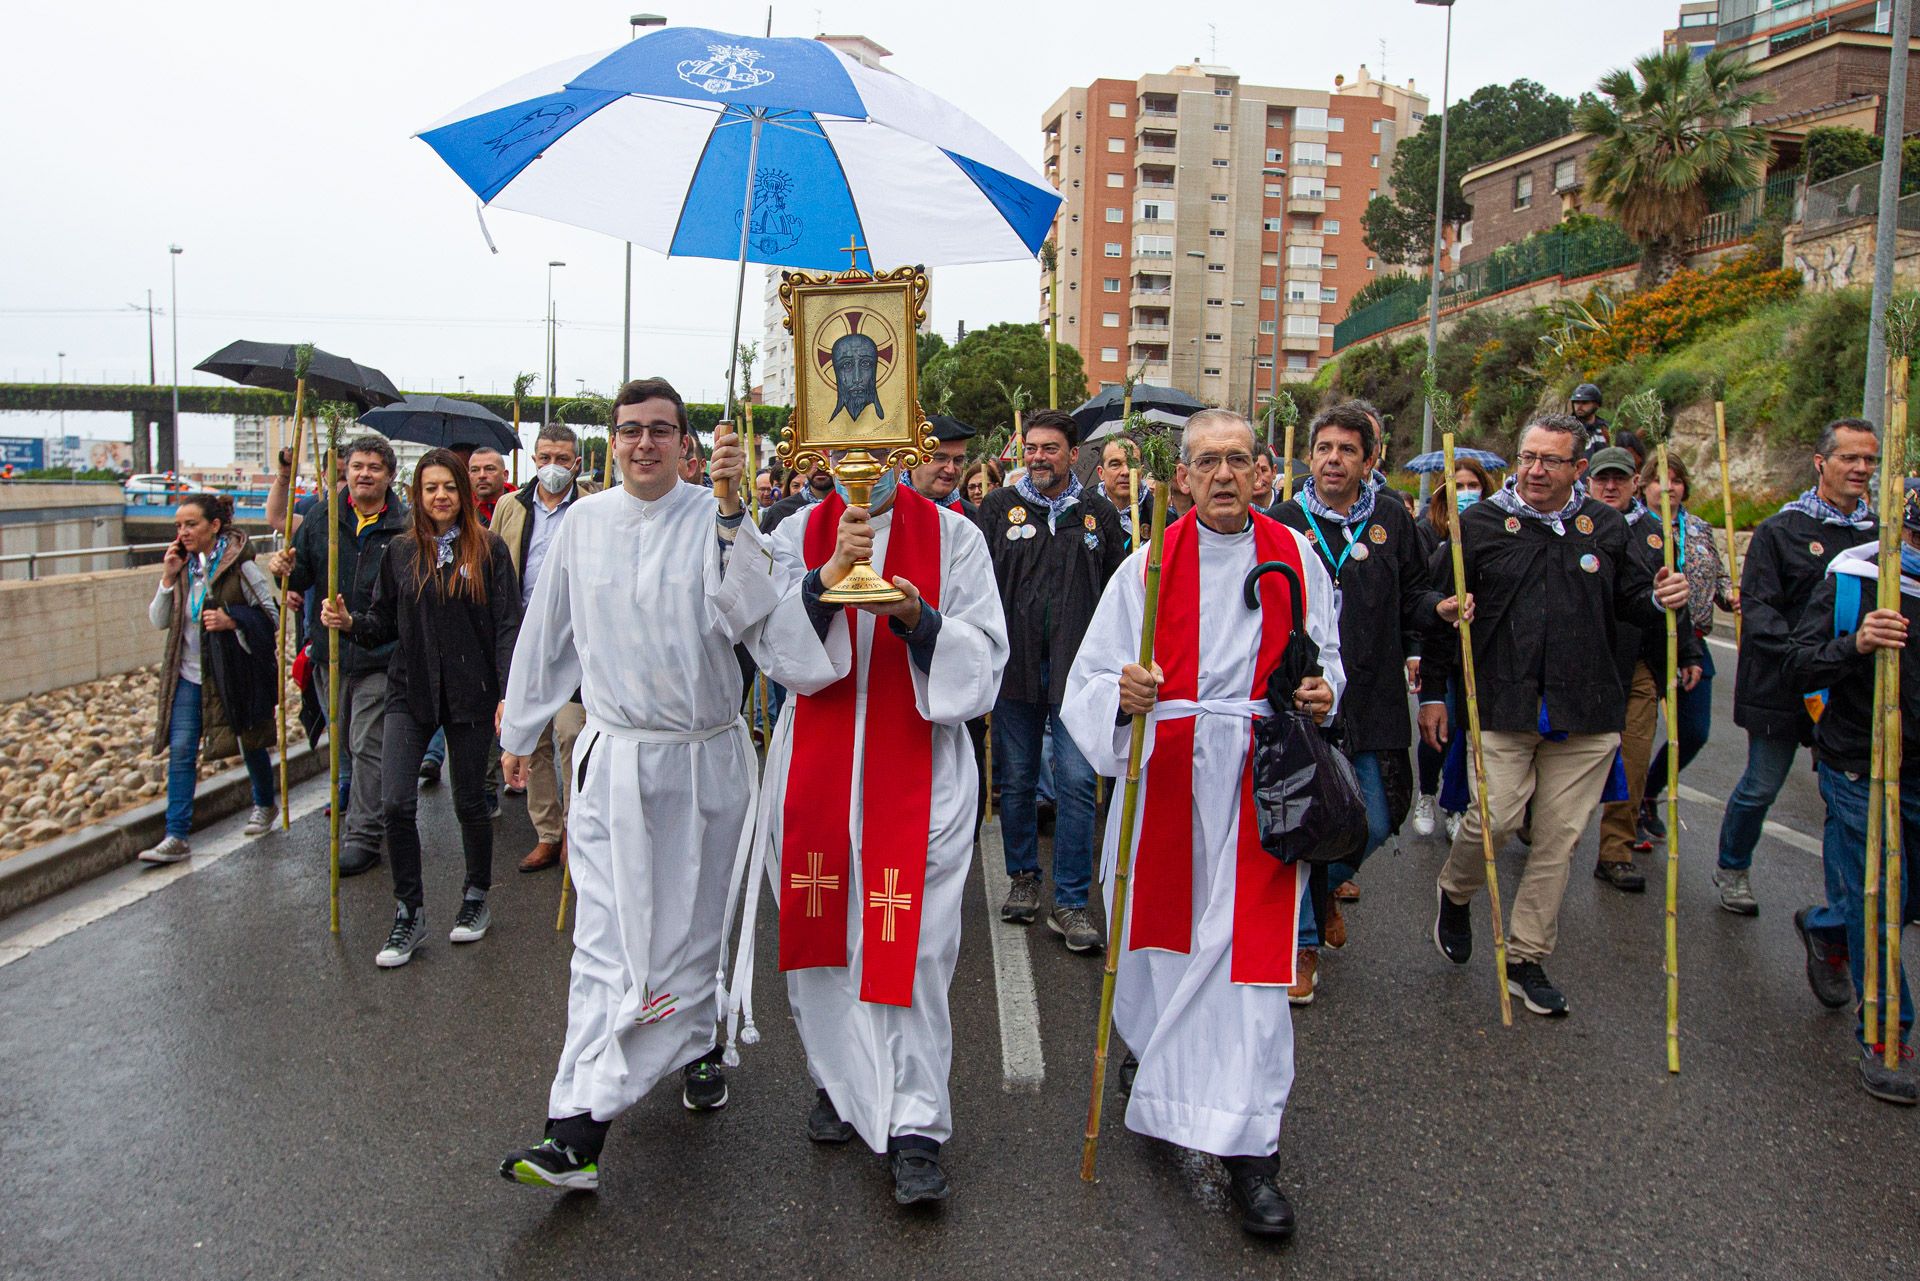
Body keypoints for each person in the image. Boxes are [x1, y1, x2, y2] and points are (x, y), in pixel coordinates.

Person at [1062, 408, 1342, 1238]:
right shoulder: (1147, 567)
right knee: (1158, 947)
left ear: (1263, 474)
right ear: (1181, 477)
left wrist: (1326, 695)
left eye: (1240, 460)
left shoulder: (1295, 558)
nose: (1225, 474)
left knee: (1252, 972)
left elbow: (1328, 660)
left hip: (1264, 778)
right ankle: (1159, 1064)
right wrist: (1123, 693)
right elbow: (1091, 676)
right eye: (1207, 461)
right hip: (1171, 775)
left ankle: (1254, 1152)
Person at [497, 379, 761, 1191]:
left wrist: (731, 514)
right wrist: (520, 730)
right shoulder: (583, 523)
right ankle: (574, 1130)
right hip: (614, 764)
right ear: (611, 442)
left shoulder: (719, 521)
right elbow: (549, 635)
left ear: (687, 442)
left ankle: (701, 1042)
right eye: (629, 430)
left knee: (688, 934)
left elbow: (761, 618)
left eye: (660, 430)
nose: (644, 443)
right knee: (604, 947)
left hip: (702, 765)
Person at [734, 435, 1008, 1206]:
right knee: (824, 941)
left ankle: (917, 1125)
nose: (870, 465)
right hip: (817, 761)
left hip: (918, 755)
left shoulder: (956, 537)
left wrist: (921, 620)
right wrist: (822, 584)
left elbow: (986, 658)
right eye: (852, 450)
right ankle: (840, 1080)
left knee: (913, 949)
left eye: (883, 449)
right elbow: (772, 650)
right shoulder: (796, 532)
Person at [1431, 414, 1690, 1017]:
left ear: (1578, 467)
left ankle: (1526, 956)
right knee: (1493, 821)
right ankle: (1455, 890)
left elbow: (1631, 600)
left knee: (1557, 840)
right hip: (1501, 700)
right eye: (1527, 457)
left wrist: (1660, 598)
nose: (1536, 470)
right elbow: (1433, 602)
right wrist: (1439, 659)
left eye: (1551, 460)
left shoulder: (1603, 526)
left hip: (1588, 707)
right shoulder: (1480, 523)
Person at [1268, 402, 1450, 1003]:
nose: (1334, 460)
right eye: (1324, 449)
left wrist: (1438, 612)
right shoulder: (1285, 518)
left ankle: (1321, 898)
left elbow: (1415, 594)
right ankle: (1303, 945)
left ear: (1369, 460)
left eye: (1348, 450)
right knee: (1307, 821)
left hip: (1372, 695)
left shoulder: (1393, 519)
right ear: (1311, 456)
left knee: (1376, 818)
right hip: (1304, 697)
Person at [321, 449, 519, 965]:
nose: (440, 497)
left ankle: (476, 897)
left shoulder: (492, 551)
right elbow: (383, 622)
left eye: (449, 487)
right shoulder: (401, 552)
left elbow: (505, 628)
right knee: (394, 803)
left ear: (463, 492)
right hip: (410, 691)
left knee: (470, 801)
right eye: (430, 488)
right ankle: (409, 910)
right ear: (417, 494)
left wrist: (507, 694)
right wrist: (350, 624)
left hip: (472, 693)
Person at [1785, 479, 1920, 1104]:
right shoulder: (1857, 575)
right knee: (1880, 893)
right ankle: (1887, 1034)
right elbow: (1800, 664)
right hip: (1861, 762)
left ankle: (1826, 928)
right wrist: (1857, 642)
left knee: (1903, 895)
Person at [977, 407, 1129, 951]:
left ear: (1072, 455)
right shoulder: (996, 508)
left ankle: (1070, 900)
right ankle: (1024, 877)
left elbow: (1120, 593)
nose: (1039, 458)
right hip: (1014, 673)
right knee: (1016, 778)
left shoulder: (1097, 514)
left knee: (1077, 784)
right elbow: (977, 584)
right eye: (1032, 449)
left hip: (1079, 675)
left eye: (1050, 449)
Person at [1716, 418, 1879, 917]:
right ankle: (1733, 865)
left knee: (1846, 801)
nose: (1860, 468)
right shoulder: (1780, 531)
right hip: (1785, 682)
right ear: (1820, 463)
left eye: (1869, 459)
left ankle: (1844, 905)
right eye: (1849, 457)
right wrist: (1801, 657)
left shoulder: (1880, 536)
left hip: (1850, 686)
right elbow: (1759, 606)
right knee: (1763, 784)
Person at [268, 435, 409, 877]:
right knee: (345, 741)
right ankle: (379, 811)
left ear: (390, 475)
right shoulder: (323, 517)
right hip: (331, 652)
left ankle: (364, 836)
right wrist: (285, 574)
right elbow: (302, 578)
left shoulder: (404, 526)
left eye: (374, 467)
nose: (364, 474)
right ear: (344, 471)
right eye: (356, 466)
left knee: (368, 743)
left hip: (381, 654)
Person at [137, 493, 281, 863]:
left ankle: (265, 803)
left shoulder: (240, 567)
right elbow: (159, 620)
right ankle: (176, 835)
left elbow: (272, 615)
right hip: (188, 675)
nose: (183, 533)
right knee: (183, 749)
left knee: (249, 738)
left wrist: (233, 620)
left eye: (191, 525)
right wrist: (167, 579)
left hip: (231, 672)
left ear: (214, 526)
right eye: (178, 526)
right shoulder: (183, 568)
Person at [1584, 446, 1703, 892]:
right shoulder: (1571, 523)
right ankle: (1535, 822)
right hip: (1579, 665)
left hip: (1636, 666)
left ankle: (1615, 850)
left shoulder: (1656, 534)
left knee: (1633, 762)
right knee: (1559, 760)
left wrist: (1687, 653)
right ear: (1587, 480)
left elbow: (1675, 596)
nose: (1611, 486)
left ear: (1637, 482)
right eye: (1602, 479)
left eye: (1620, 478)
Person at [490, 424, 595, 874]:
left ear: (576, 460)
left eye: (563, 457)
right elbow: (494, 565)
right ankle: (548, 833)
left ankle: (578, 829)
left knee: (573, 734)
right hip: (524, 636)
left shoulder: (593, 506)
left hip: (576, 640)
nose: (553, 466)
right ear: (534, 460)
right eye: (544, 457)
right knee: (532, 741)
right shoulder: (509, 508)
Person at [1637, 452, 1734, 844]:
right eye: (1660, 480)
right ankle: (1625, 815)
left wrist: (1730, 596)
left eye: (1676, 481)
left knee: (1693, 731)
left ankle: (1649, 790)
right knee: (1636, 735)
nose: (1669, 488)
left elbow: (1719, 576)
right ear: (1644, 486)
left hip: (1692, 640)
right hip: (1646, 642)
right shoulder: (1632, 526)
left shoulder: (1698, 529)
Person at [1414, 458, 1495, 843]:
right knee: (1439, 730)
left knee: (1466, 730)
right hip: (1442, 649)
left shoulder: (1497, 532)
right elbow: (1418, 596)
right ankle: (1427, 792)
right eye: (1457, 487)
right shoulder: (1427, 535)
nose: (1466, 493)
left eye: (1472, 485)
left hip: (1481, 654)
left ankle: (1456, 804)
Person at [908, 416, 976, 516]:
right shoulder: (886, 509)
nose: (950, 470)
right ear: (912, 458)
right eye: (940, 458)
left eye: (958, 460)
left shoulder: (972, 517)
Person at [761, 459, 836, 534]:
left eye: (827, 457)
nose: (820, 465)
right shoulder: (779, 511)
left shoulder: (846, 505)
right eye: (812, 458)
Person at [1095, 436, 1141, 544]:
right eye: (1115, 464)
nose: (1126, 471)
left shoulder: (1161, 518)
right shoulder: (1081, 513)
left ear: (1141, 471)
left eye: (1133, 464)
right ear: (1101, 473)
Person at [467, 446, 509, 524]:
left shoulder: (522, 507)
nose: (481, 475)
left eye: (489, 469)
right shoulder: (461, 511)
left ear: (505, 475)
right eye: (475, 470)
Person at [1570, 383, 1610, 456]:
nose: (1579, 406)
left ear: (1597, 404)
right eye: (1576, 402)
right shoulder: (1567, 428)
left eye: (1585, 402)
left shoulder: (1605, 428)